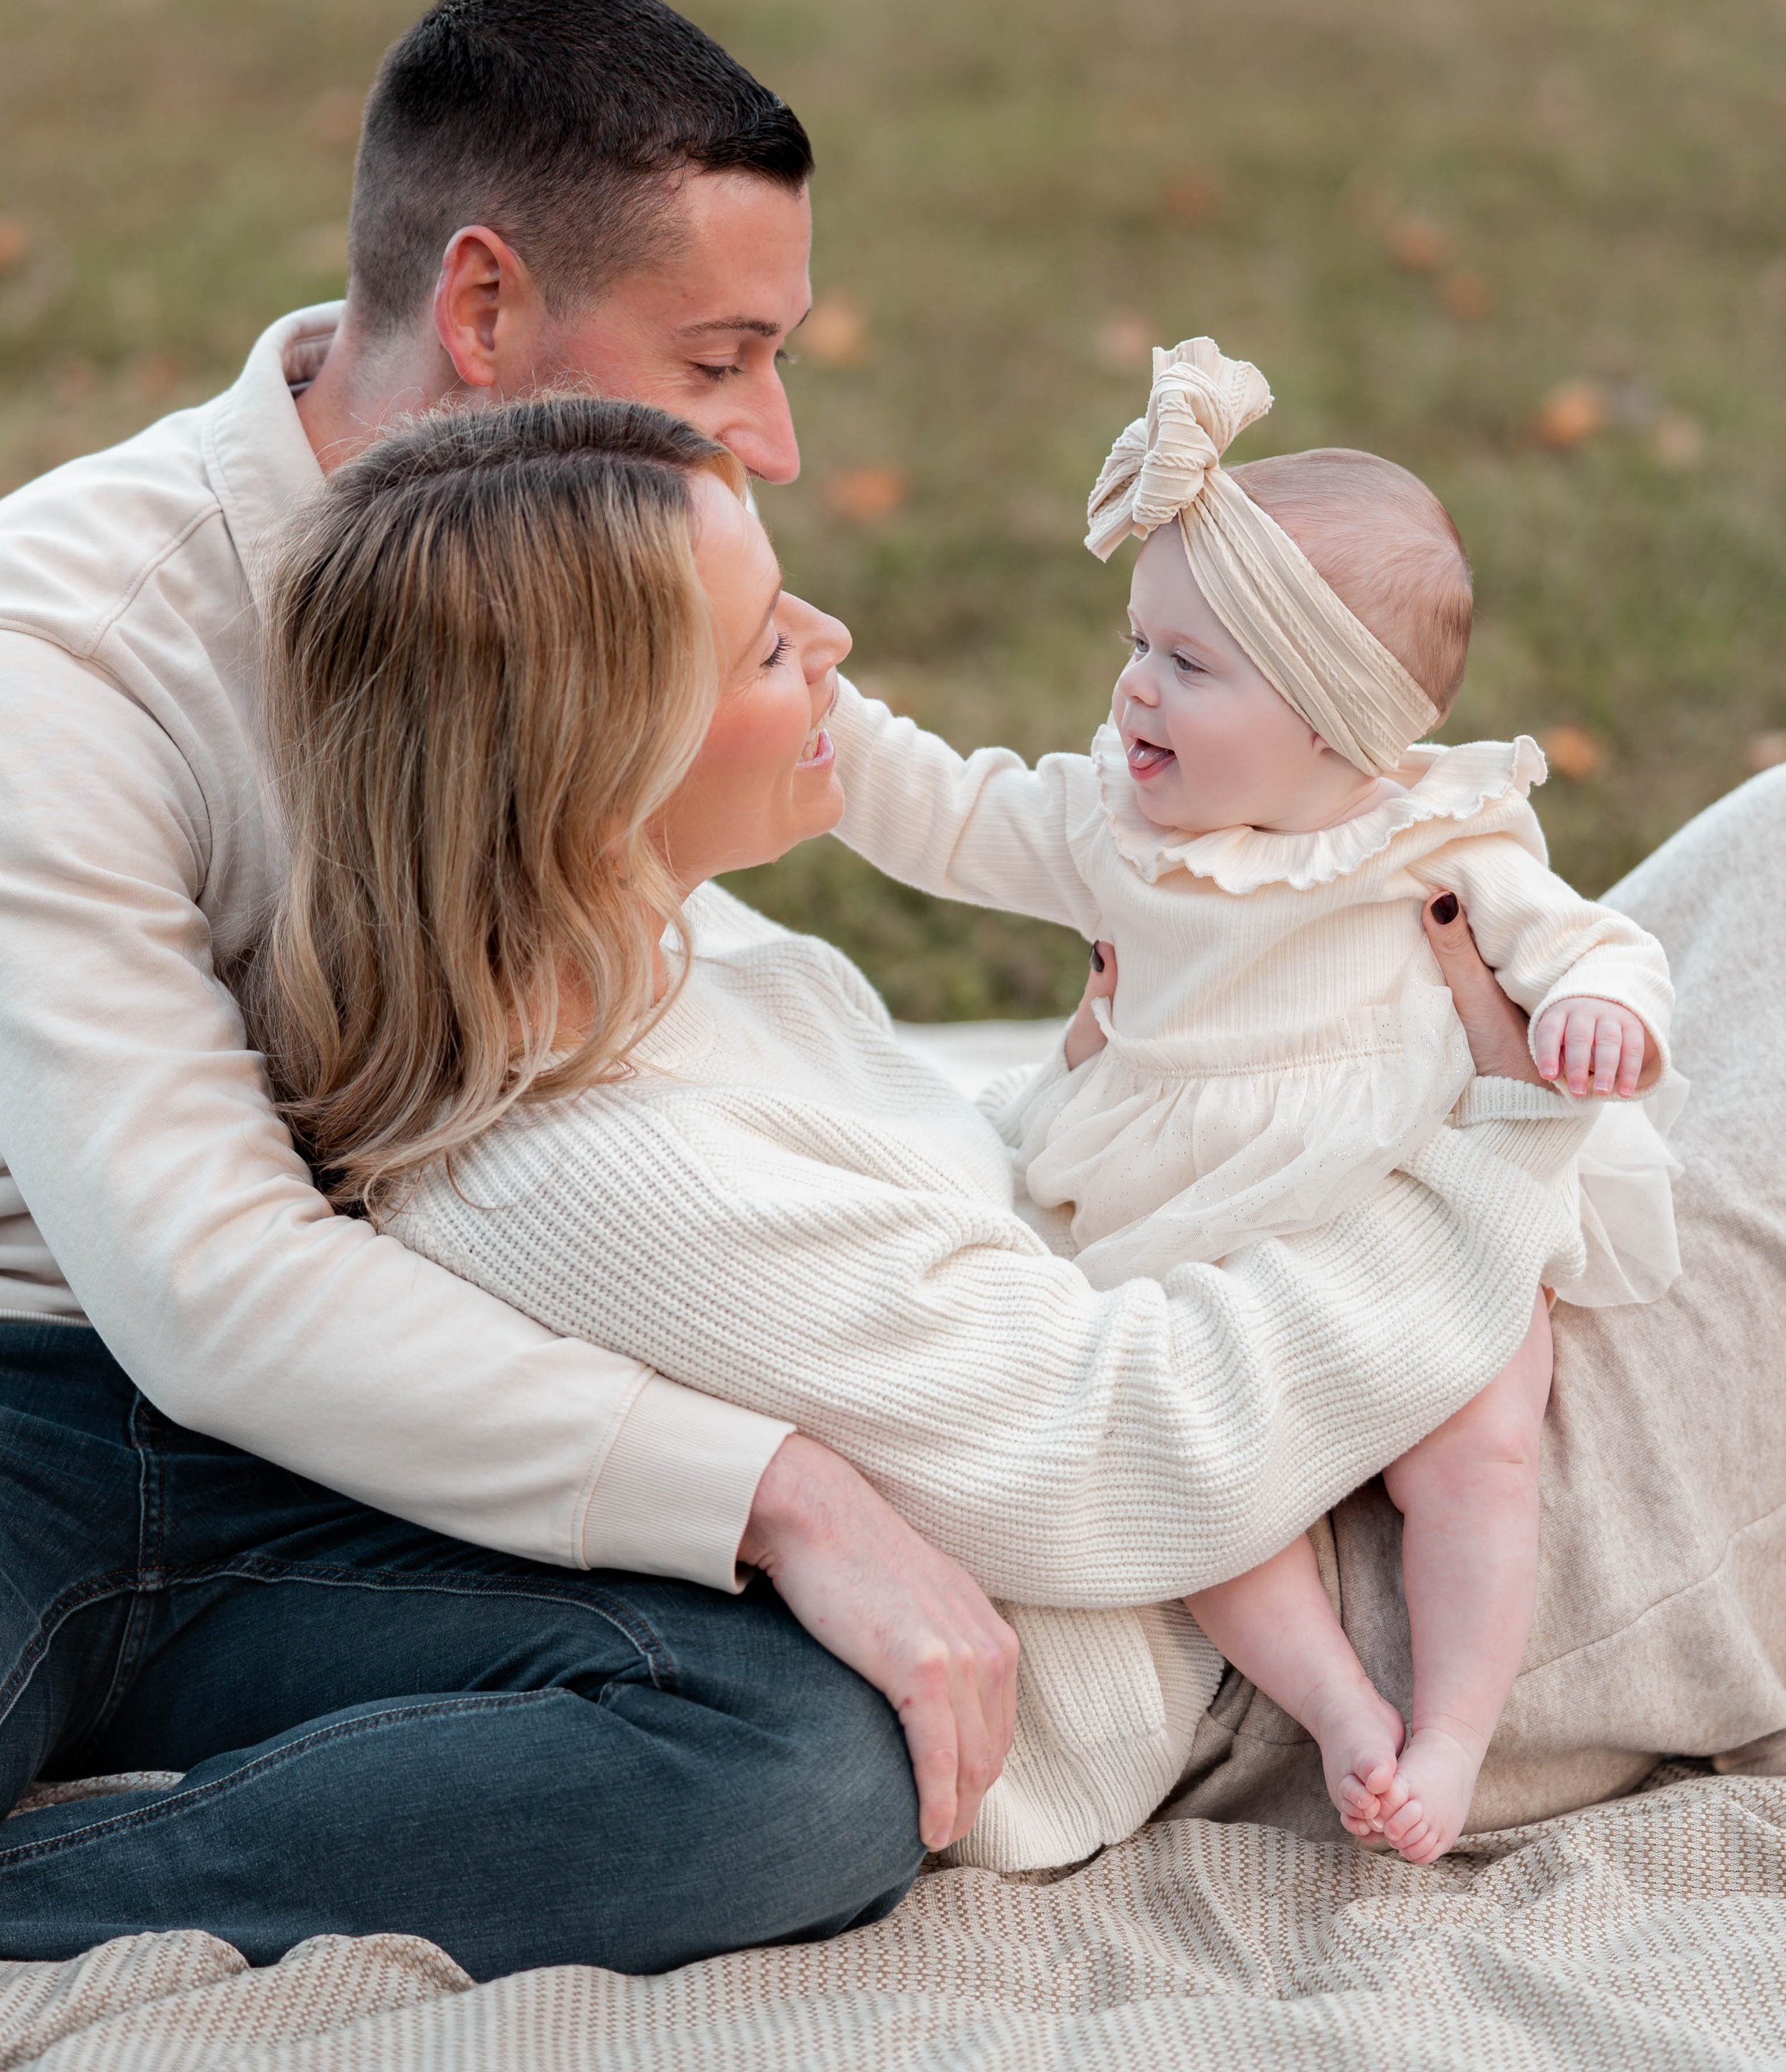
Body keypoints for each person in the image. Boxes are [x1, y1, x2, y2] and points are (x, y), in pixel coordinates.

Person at [0, 0, 1532, 1972]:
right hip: (45, 1400)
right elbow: (208, 1284)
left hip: (414, 1427)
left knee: (811, 1764)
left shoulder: (631, 600)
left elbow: (737, 1092)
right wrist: (776, 1489)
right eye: (719, 358)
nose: (778, 442)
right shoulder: (64, 653)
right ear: (483, 314)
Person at [227, 389, 1587, 1878]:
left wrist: (1111, 1091)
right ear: (597, 755)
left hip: (1322, 1346)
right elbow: (1123, 1450)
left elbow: (946, 1232)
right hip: (1337, 1579)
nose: (833, 641)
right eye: (766, 645)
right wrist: (1500, 1138)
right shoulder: (610, 1176)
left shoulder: (651, 949)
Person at [814, 336, 1678, 1861]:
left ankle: (1452, 1733)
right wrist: (823, 709)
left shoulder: (1433, 836)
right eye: (1137, 643)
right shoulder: (1110, 825)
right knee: (1203, 1479)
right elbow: (946, 813)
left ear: (1333, 721)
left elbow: (1585, 942)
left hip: (1407, 1187)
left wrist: (1601, 1009)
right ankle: (1340, 1709)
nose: (1134, 686)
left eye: (1190, 665)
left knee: (1481, 1444)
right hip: (1198, 1206)